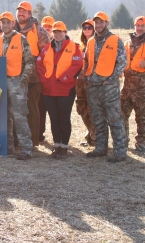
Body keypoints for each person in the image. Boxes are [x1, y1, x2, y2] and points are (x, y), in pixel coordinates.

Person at [84, 12, 127, 163]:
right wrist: (87, 78)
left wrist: (111, 79)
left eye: (101, 22)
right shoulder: (90, 41)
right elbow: (86, 61)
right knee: (98, 119)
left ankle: (120, 152)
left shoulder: (115, 40)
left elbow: (122, 62)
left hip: (108, 87)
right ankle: (100, 148)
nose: (98, 25)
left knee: (114, 119)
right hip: (93, 87)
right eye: (96, 22)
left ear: (107, 23)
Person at [0, 12, 34, 160]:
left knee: (19, 116)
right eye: (3, 23)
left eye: (8, 22)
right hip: (0, 82)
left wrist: (23, 80)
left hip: (16, 83)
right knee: (4, 116)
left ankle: (26, 149)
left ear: (13, 23)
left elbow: (30, 61)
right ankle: (7, 148)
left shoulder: (21, 39)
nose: (5, 25)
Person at [37, 21, 83, 158]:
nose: (57, 34)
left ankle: (64, 146)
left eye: (60, 32)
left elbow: (77, 64)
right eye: (55, 32)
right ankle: (56, 145)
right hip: (48, 89)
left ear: (65, 32)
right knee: (54, 118)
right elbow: (39, 64)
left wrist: (65, 78)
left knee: (64, 118)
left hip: (65, 89)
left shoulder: (74, 47)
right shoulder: (46, 48)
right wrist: (44, 80)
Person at [14, 1, 50, 148]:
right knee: (15, 111)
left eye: (24, 11)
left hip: (32, 79)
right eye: (19, 11)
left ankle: (33, 141)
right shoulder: (10, 29)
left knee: (32, 110)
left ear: (30, 14)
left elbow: (47, 54)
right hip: (13, 77)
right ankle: (16, 141)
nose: (21, 13)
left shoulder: (39, 31)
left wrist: (37, 71)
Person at [121, 16, 145, 152]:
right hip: (126, 86)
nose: (140, 28)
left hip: (142, 88)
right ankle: (123, 141)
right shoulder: (127, 43)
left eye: (142, 26)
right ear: (134, 26)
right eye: (138, 25)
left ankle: (141, 143)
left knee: (142, 117)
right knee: (122, 114)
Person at [76, 19, 96, 147]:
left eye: (90, 27)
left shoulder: (97, 44)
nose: (87, 30)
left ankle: (95, 137)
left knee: (92, 109)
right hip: (80, 82)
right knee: (81, 108)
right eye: (85, 28)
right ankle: (90, 133)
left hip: (92, 82)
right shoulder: (79, 46)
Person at [38, 15, 55, 142]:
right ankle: (39, 133)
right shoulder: (40, 41)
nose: (47, 28)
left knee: (55, 110)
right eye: (45, 26)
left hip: (55, 80)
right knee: (40, 108)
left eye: (50, 26)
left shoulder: (59, 41)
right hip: (41, 79)